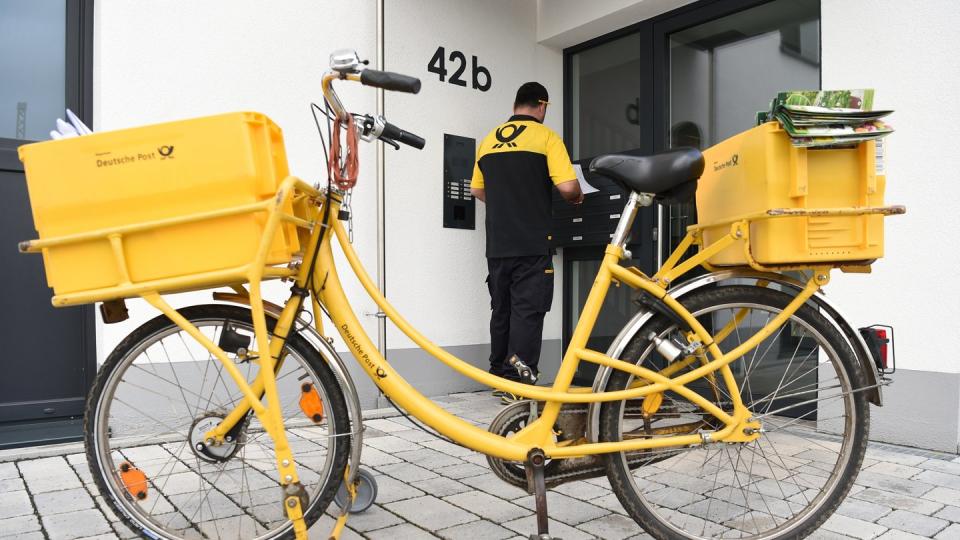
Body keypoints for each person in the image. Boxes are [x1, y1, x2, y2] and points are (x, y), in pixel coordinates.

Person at [470, 82, 583, 404]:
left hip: (498, 243)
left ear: (516, 104)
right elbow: (568, 187)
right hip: (533, 241)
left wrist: (506, 204)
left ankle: (498, 376)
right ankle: (518, 383)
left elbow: (477, 190)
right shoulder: (546, 138)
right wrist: (577, 197)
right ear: (542, 106)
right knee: (528, 311)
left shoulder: (489, 140)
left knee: (501, 309)